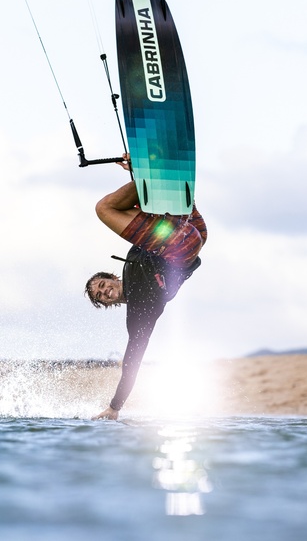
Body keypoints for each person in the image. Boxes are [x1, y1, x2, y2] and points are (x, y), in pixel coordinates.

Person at [86, 155, 207, 420]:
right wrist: (115, 407)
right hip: (184, 244)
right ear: (107, 304)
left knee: (124, 207)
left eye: (103, 285)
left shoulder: (133, 255)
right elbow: (133, 361)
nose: (105, 291)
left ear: (113, 277)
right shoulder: (140, 311)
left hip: (187, 230)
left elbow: (137, 211)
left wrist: (136, 180)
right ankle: (146, 172)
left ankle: (145, 171)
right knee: (104, 209)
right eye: (101, 296)